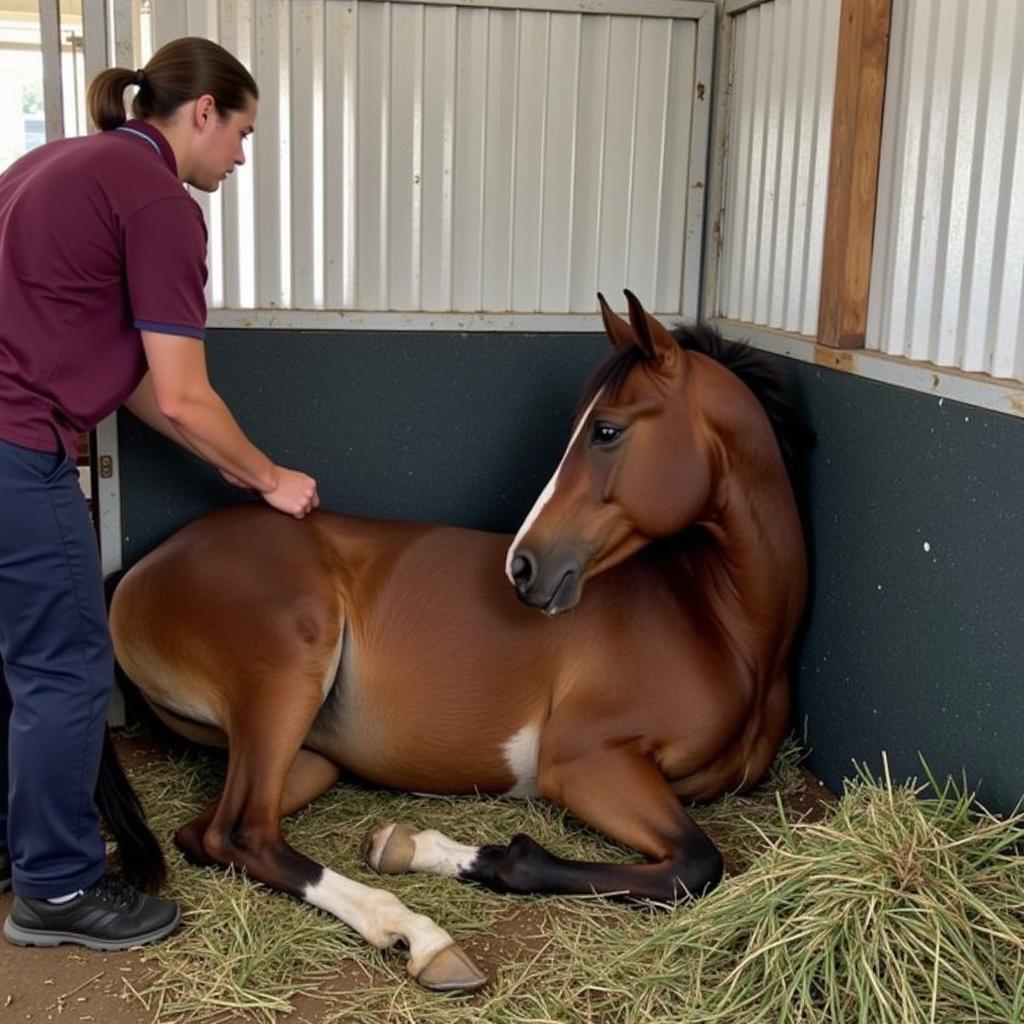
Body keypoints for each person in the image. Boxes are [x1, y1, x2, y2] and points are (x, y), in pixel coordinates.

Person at [0, 37, 318, 950]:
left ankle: (18, 846)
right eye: (243, 132)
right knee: (66, 670)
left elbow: (140, 379)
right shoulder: (159, 203)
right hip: (18, 450)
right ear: (204, 112)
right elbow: (183, 390)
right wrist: (270, 477)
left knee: (18, 664)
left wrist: (216, 453)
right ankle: (56, 891)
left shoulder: (57, 161)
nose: (242, 157)